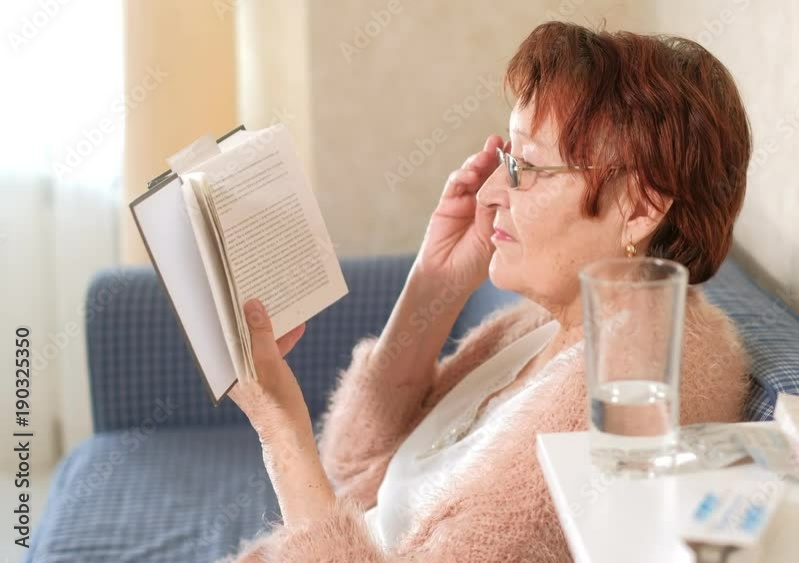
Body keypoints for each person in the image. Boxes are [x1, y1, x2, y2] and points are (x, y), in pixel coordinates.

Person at [220, 20, 753, 562]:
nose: (491, 191)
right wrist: (436, 284)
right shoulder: (554, 320)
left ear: (638, 208)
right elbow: (354, 470)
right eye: (506, 159)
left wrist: (280, 433)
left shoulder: (623, 399)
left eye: (526, 167)